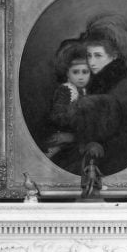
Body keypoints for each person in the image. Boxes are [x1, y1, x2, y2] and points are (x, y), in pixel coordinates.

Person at [56, 15, 127, 177]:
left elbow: (113, 139)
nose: (91, 62)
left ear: (115, 56)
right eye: (89, 55)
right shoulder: (107, 82)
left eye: (98, 56)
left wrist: (74, 139)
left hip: (118, 163)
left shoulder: (116, 90)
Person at [43, 41, 91, 171]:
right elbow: (57, 116)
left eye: (85, 72)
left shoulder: (86, 91)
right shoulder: (66, 90)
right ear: (67, 73)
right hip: (63, 135)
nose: (81, 77)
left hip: (78, 137)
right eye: (76, 72)